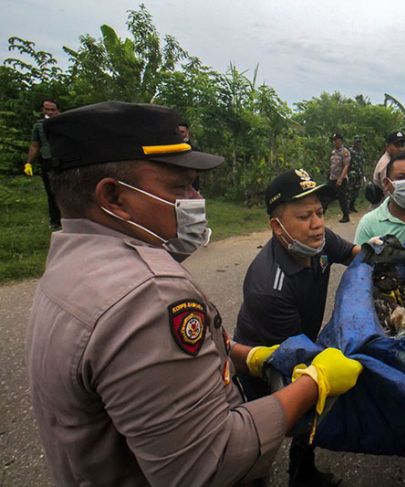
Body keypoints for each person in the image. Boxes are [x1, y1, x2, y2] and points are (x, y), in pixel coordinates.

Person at [26, 101, 362, 486]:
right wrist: (314, 383)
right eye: (178, 186)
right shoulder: (148, 296)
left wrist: (243, 355)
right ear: (114, 197)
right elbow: (209, 463)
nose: (194, 199)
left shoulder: (71, 264)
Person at [234, 168, 364, 486]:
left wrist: (376, 252)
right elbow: (293, 360)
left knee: (310, 414)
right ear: (278, 227)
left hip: (299, 337)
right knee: (264, 433)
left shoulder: (318, 242)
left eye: (320, 212)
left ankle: (302, 471)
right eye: (305, 216)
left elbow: (352, 254)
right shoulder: (269, 285)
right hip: (264, 356)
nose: (317, 223)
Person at [24, 98, 62, 230]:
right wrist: (28, 163)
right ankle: (55, 222)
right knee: (51, 192)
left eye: (53, 110)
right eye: (47, 109)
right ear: (42, 110)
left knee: (66, 190)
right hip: (47, 161)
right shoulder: (39, 126)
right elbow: (35, 145)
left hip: (64, 161)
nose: (50, 112)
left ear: (58, 111)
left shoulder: (65, 123)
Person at [371, 130, 405, 194]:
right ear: (387, 147)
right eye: (397, 145)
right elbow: (388, 193)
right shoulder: (386, 164)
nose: (400, 149)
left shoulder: (392, 161)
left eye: (402, 145)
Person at [328, 133, 351, 223]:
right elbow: (332, 165)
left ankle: (346, 215)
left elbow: (346, 166)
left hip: (341, 178)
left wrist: (341, 179)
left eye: (336, 140)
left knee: (342, 198)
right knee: (327, 195)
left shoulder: (345, 152)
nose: (334, 142)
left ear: (340, 141)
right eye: (333, 140)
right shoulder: (333, 152)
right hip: (332, 177)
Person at [177, 122, 201, 191]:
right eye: (178, 132)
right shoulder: (170, 149)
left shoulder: (195, 151)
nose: (180, 134)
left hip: (193, 188)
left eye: (182, 132)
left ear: (187, 132)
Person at [347, 135, 365, 213]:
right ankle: (347, 208)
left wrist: (362, 174)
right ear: (353, 142)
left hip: (359, 173)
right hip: (352, 173)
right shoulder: (349, 151)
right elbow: (347, 163)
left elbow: (362, 163)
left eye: (359, 142)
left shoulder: (361, 152)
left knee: (356, 191)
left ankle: (352, 206)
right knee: (349, 191)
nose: (358, 143)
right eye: (356, 141)